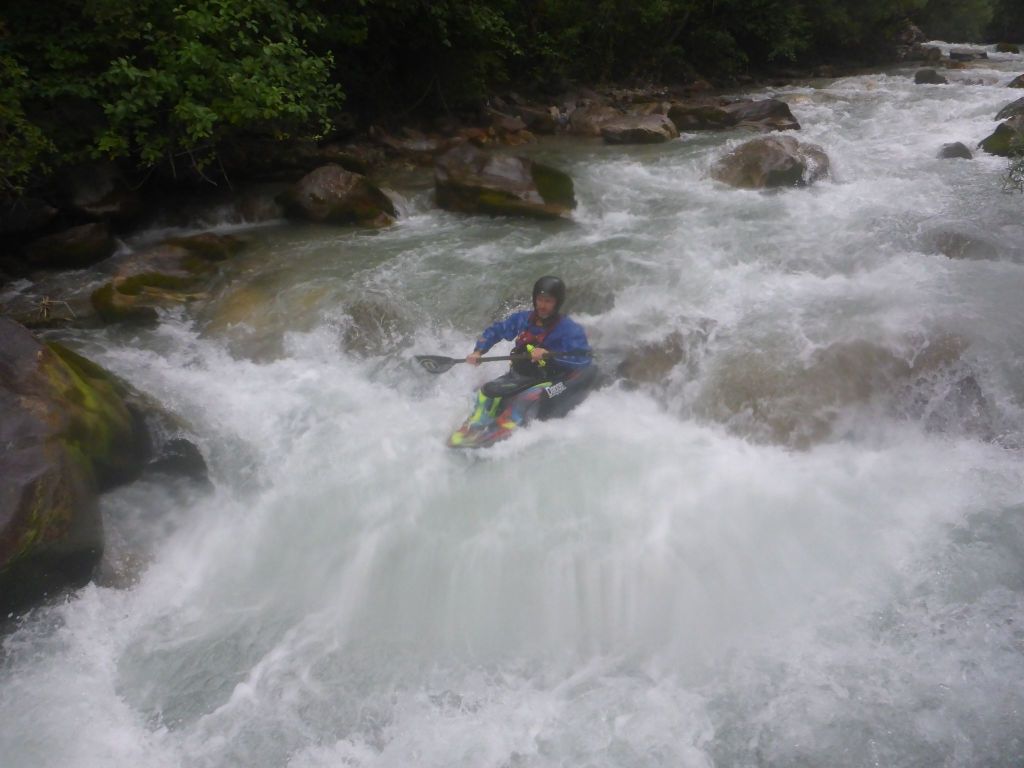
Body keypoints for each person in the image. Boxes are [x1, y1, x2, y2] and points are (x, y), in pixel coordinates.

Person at [462, 276, 597, 430]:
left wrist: (549, 353)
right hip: (523, 375)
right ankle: (476, 423)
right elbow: (496, 331)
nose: (543, 305)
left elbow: (581, 358)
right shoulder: (522, 319)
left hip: (554, 378)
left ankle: (508, 427)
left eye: (548, 301)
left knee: (528, 397)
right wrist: (478, 351)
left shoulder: (569, 328)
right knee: (486, 392)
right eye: (540, 300)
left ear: (557, 303)